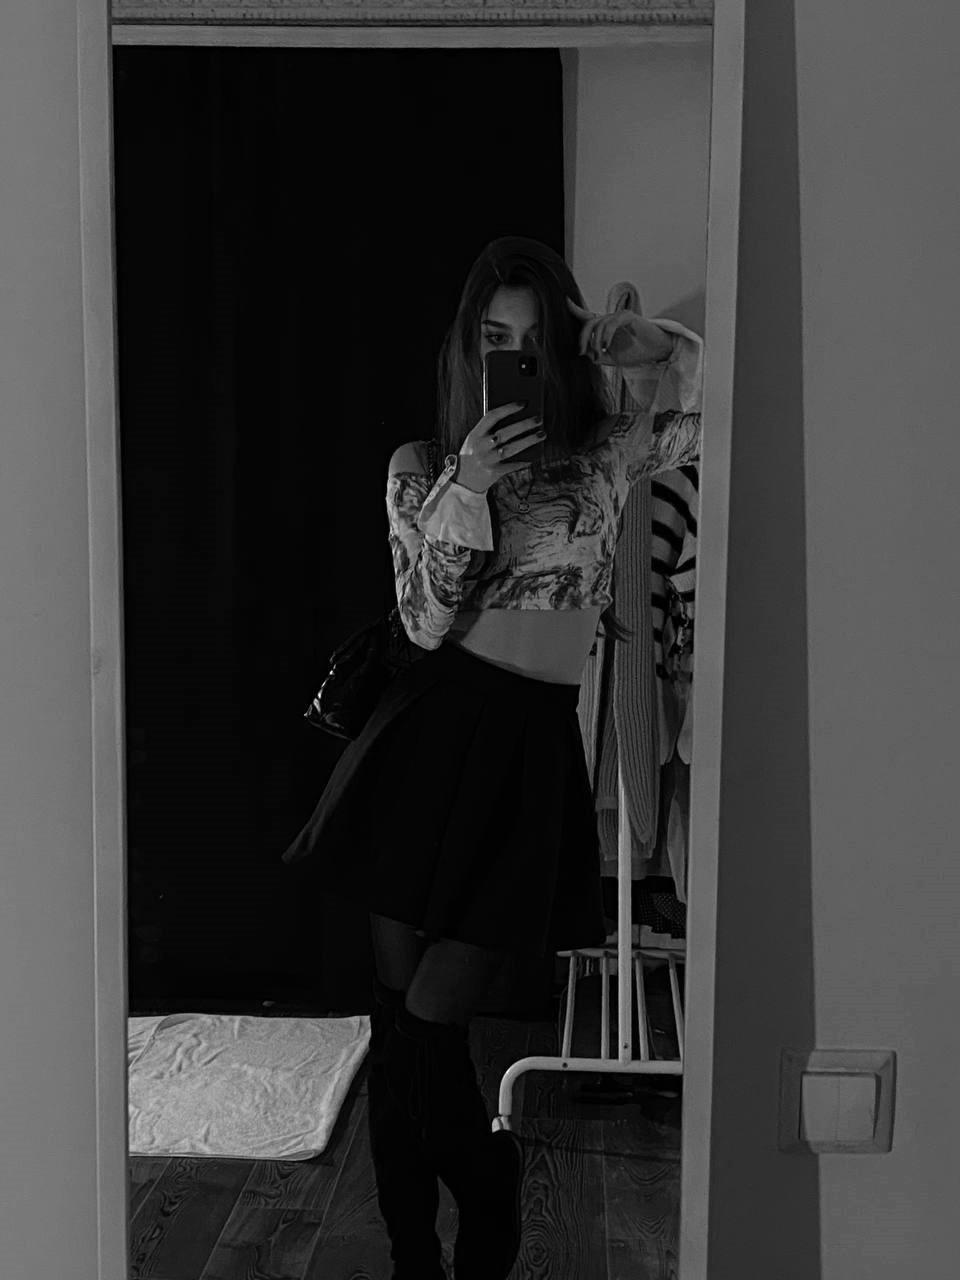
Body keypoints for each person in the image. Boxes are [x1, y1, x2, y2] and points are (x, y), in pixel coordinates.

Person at [281, 235, 703, 1279]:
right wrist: (467, 483)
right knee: (400, 1021)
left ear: (561, 348)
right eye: (493, 336)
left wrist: (662, 347)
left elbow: (729, 417)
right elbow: (424, 622)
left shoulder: (607, 453)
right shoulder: (420, 468)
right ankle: (414, 1253)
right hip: (423, 739)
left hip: (525, 752)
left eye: (534, 337)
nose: (512, 354)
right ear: (467, 349)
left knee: (430, 1022)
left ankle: (487, 1186)